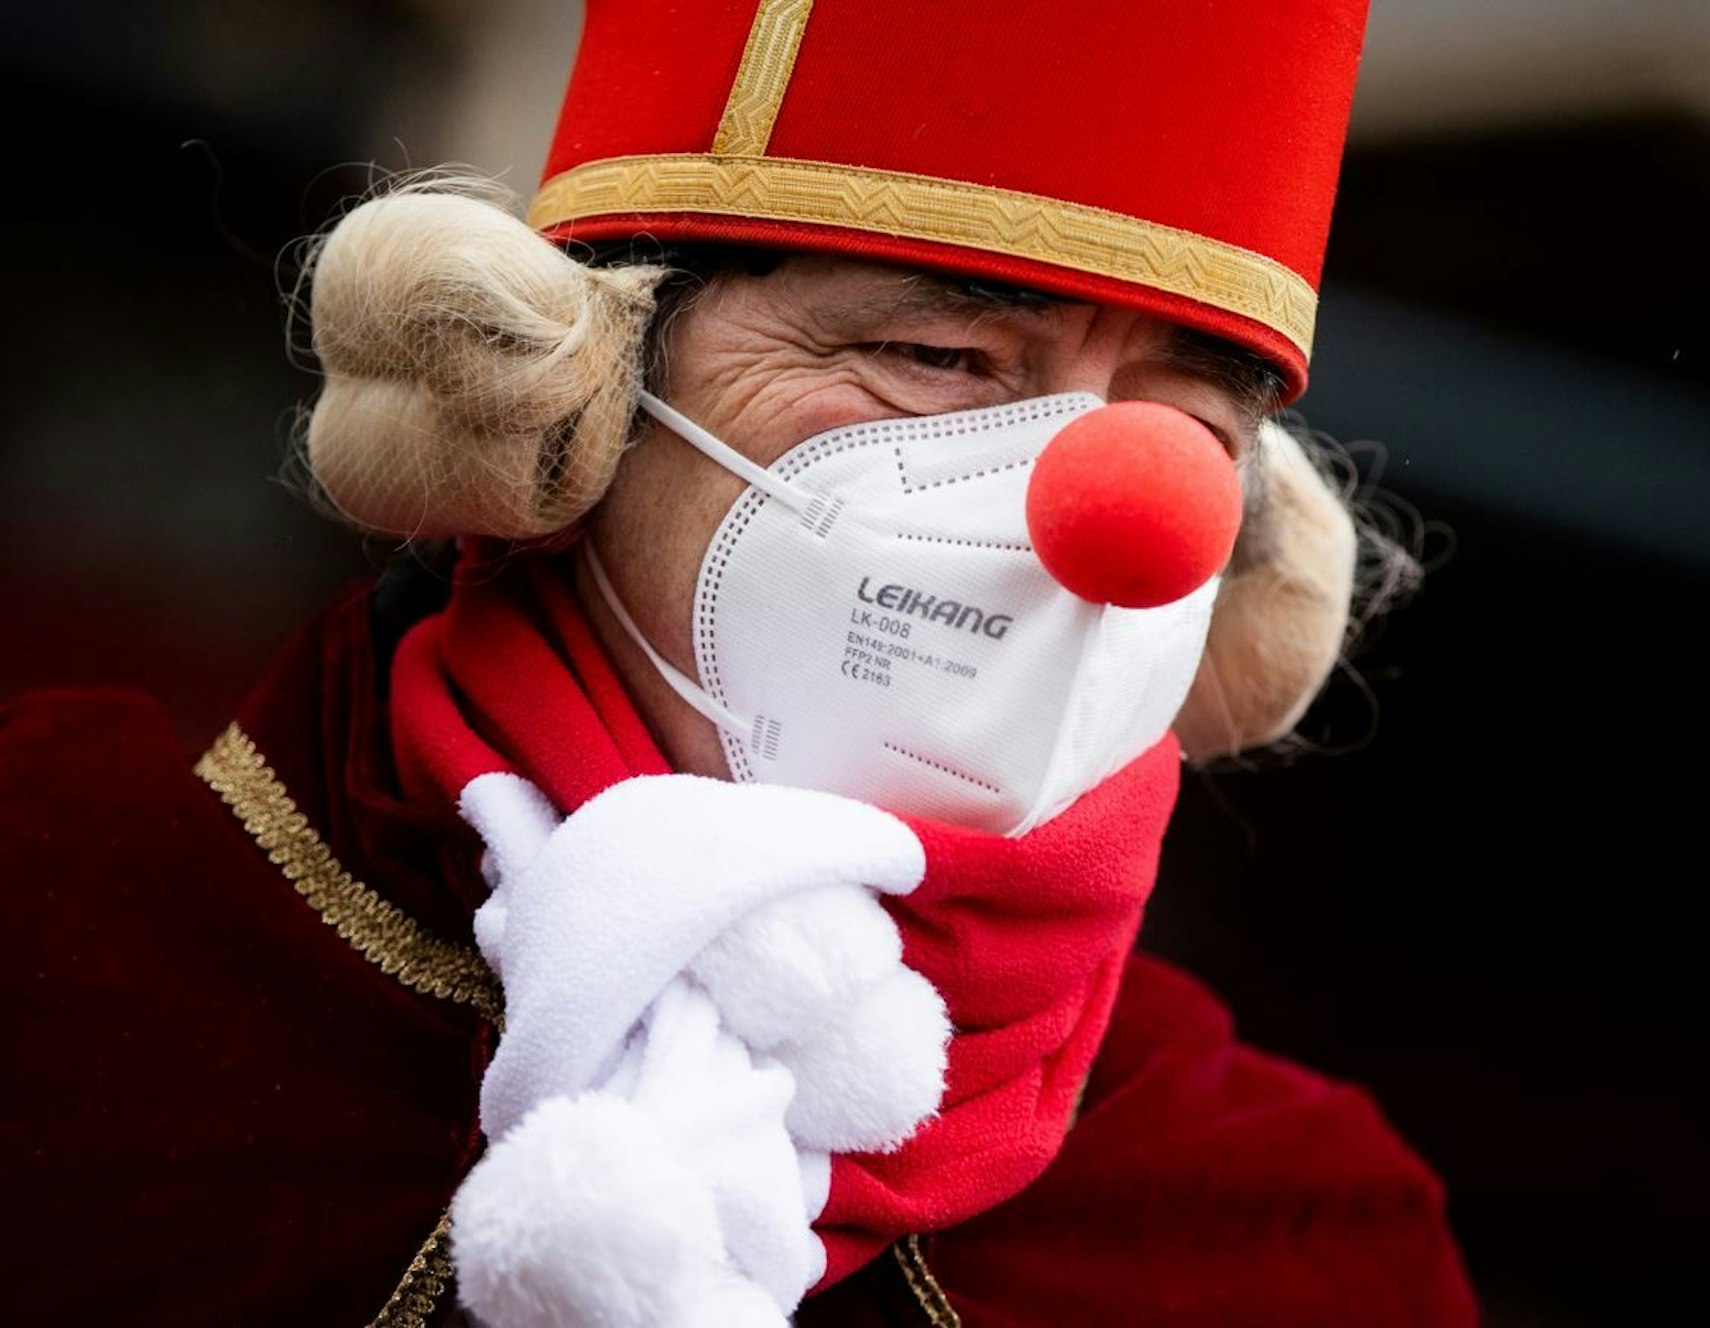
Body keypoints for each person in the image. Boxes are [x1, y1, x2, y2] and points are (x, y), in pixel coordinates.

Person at [2, 1, 1477, 1324]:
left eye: (1185, 432)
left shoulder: (1291, 1235)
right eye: (937, 359)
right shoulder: (48, 916)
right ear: (569, 396)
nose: (1098, 514)